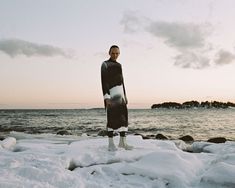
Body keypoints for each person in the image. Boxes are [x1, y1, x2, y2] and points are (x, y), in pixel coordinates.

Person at [101, 45, 133, 151]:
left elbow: (122, 82)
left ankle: (122, 143)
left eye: (117, 53)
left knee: (123, 119)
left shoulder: (119, 65)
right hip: (111, 95)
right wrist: (106, 97)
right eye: (113, 53)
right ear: (109, 53)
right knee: (111, 119)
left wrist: (125, 96)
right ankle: (111, 144)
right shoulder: (105, 64)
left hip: (121, 96)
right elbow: (104, 82)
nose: (115, 55)